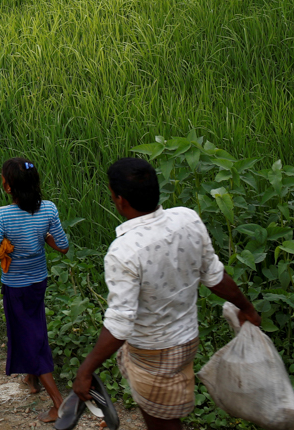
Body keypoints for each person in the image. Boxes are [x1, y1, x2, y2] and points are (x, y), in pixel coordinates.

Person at [66, 158, 261, 430]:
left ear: (120, 200)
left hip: (153, 352)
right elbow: (215, 277)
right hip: (187, 340)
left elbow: (120, 323)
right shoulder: (187, 219)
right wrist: (247, 307)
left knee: (162, 422)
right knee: (165, 414)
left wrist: (85, 370)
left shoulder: (124, 252)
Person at [0, 157, 69, 423]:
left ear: (8, 187)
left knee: (30, 339)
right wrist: (42, 235)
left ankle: (59, 403)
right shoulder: (49, 209)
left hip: (15, 286)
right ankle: (31, 380)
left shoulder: (1, 215)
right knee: (34, 327)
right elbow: (63, 246)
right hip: (38, 282)